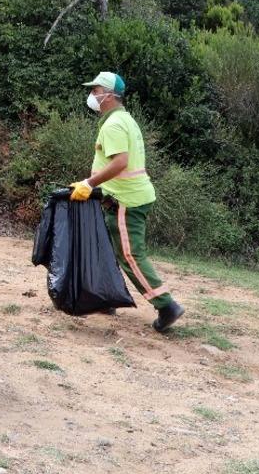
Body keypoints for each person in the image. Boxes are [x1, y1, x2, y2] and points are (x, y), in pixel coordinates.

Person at [69, 71, 185, 333]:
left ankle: (166, 305)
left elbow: (120, 161)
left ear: (108, 95)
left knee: (130, 255)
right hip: (124, 198)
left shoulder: (114, 125)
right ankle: (108, 297)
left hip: (127, 202)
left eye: (96, 90)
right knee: (109, 251)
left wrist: (89, 184)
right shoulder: (123, 119)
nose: (92, 95)